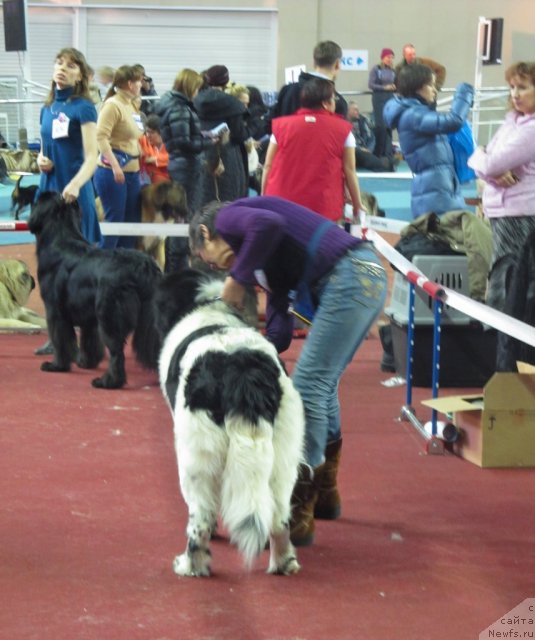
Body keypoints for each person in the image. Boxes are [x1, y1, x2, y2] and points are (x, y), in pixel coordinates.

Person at [188, 195, 387, 546]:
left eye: (211, 262)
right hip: (364, 275)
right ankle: (324, 493)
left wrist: (236, 278)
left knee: (309, 385)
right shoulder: (262, 258)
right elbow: (280, 319)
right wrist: (259, 345)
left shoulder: (230, 217)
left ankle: (294, 509)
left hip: (351, 276)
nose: (219, 271)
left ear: (206, 233)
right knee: (323, 385)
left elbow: (268, 225)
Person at [35, 47, 102, 356]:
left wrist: (75, 185)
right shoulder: (46, 108)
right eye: (58, 62)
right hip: (49, 192)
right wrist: (40, 160)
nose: (62, 68)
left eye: (70, 65)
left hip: (76, 194)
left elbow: (93, 157)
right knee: (51, 269)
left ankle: (90, 342)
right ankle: (59, 338)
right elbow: (45, 149)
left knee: (82, 269)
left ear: (80, 75)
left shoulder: (84, 108)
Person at [468, 61, 535, 318]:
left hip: (519, 215)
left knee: (507, 284)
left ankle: (504, 348)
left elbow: (491, 160)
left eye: (523, 87)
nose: (515, 94)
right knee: (503, 281)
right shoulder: (513, 122)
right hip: (504, 213)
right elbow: (483, 159)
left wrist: (486, 162)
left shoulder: (531, 129)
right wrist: (488, 166)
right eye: (511, 87)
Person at [262, 77, 365, 223]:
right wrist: (357, 204)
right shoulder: (344, 130)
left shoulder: (281, 127)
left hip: (281, 204)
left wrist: (263, 195)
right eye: (333, 99)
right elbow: (350, 171)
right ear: (325, 103)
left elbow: (268, 166)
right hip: (323, 207)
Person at [383, 63, 473, 218]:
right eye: (431, 85)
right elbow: (454, 121)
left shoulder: (415, 113)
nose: (435, 90)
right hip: (436, 191)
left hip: (437, 188)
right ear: (417, 87)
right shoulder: (414, 115)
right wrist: (465, 93)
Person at [155, 68, 217, 272]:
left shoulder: (175, 106)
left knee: (181, 218)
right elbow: (184, 142)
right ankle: (177, 271)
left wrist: (202, 137)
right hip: (186, 168)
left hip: (182, 166)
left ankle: (176, 268)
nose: (198, 92)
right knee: (183, 219)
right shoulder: (180, 109)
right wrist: (209, 141)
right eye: (198, 88)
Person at [94, 64, 144, 250]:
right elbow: (100, 137)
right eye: (139, 80)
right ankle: (102, 267)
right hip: (112, 172)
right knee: (115, 222)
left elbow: (133, 135)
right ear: (130, 84)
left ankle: (125, 269)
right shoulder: (113, 105)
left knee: (130, 224)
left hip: (132, 172)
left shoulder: (131, 105)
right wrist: (115, 166)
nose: (142, 84)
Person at [194, 64, 249, 205]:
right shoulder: (232, 103)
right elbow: (239, 134)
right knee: (227, 198)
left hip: (201, 153)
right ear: (226, 81)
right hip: (227, 156)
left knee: (202, 197)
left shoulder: (194, 101)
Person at [268, 40, 348, 127]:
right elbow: (341, 136)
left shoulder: (287, 90)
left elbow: (270, 125)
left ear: (314, 63)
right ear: (337, 64)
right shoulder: (337, 102)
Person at [347, 101, 395, 172]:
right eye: (355, 110)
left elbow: (371, 138)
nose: (358, 111)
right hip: (353, 150)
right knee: (361, 154)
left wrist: (369, 149)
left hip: (366, 150)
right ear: (348, 111)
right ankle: (384, 164)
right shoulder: (343, 124)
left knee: (383, 131)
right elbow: (346, 142)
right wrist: (360, 149)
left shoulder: (362, 121)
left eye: (358, 109)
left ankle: (386, 160)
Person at [368, 48, 396, 158]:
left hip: (390, 97)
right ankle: (379, 152)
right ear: (382, 58)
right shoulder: (376, 69)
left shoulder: (393, 70)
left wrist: (395, 87)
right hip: (379, 98)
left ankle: (388, 153)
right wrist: (385, 87)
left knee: (389, 125)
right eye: (388, 57)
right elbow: (371, 85)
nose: (390, 59)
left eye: (392, 58)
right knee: (381, 126)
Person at [139, 114, 170, 184]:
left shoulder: (170, 145)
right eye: (147, 132)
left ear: (161, 133)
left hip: (165, 185)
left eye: (152, 132)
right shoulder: (144, 140)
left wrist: (154, 159)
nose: (148, 135)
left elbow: (171, 159)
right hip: (146, 183)